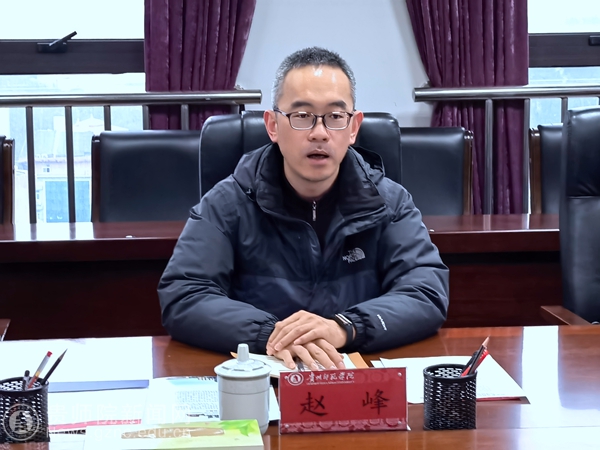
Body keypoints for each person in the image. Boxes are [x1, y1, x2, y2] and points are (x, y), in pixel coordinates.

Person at [158, 47, 449, 370]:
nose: (319, 133)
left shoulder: (390, 203)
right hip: (262, 374)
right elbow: (185, 295)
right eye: (302, 116)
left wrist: (345, 327)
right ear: (272, 125)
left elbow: (425, 292)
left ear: (354, 127)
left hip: (353, 374)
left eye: (335, 117)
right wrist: (272, 334)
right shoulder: (227, 203)